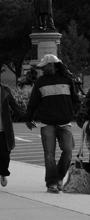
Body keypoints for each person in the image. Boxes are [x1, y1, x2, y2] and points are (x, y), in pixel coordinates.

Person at [25, 54, 80, 193]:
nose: (42, 69)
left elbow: (76, 100)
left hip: (65, 123)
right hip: (47, 123)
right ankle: (51, 183)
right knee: (49, 154)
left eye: (44, 66)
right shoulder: (40, 82)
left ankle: (59, 177)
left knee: (67, 151)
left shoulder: (67, 80)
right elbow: (33, 102)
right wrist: (28, 118)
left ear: (52, 65)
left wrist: (71, 113)